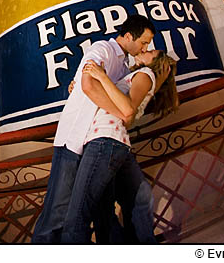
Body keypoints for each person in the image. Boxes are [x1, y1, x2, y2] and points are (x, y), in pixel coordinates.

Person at [31, 14, 155, 243]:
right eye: (143, 42)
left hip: (94, 143)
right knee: (57, 213)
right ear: (128, 36)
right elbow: (88, 84)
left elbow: (89, 86)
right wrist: (122, 112)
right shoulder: (104, 49)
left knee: (94, 210)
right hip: (74, 137)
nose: (145, 47)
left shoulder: (126, 65)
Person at [61, 49, 179, 244]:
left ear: (157, 62)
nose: (145, 49)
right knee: (127, 201)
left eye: (151, 51)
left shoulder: (145, 75)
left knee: (90, 211)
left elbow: (128, 108)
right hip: (113, 141)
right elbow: (114, 102)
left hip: (106, 140)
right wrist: (82, 90)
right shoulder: (136, 76)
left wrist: (100, 76)